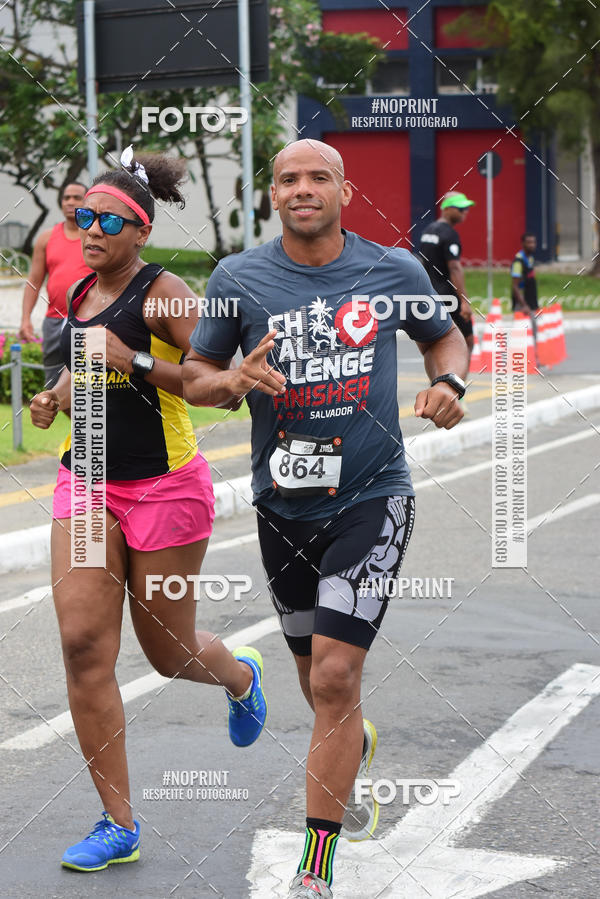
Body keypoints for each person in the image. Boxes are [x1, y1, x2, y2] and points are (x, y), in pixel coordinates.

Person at [182, 138, 469, 898]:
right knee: (319, 683)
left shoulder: (392, 269)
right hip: (282, 507)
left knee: (339, 676)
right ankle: (352, 738)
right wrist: (230, 379)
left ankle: (316, 869)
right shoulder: (236, 278)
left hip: (373, 496)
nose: (301, 188)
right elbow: (192, 375)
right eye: (287, 179)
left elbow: (444, 333)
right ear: (272, 195)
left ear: (344, 190)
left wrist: (451, 380)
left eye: (317, 177)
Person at [29, 149, 267, 874]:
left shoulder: (164, 294)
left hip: (165, 486)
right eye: (81, 217)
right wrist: (56, 396)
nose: (89, 228)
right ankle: (118, 821)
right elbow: (85, 366)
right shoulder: (75, 293)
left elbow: (216, 383)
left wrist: (130, 359)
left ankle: (239, 676)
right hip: (90, 479)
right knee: (82, 646)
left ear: (141, 230)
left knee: (168, 652)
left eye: (106, 219)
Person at [19, 181, 93, 388]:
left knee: (88, 390)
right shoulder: (46, 238)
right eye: (66, 198)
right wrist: (25, 319)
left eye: (77, 197)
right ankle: (76, 422)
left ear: (87, 202)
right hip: (53, 321)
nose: (70, 202)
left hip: (88, 321)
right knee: (53, 388)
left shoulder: (94, 236)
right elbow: (34, 281)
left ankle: (87, 422)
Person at [417, 191, 475, 359]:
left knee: (437, 342)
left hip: (431, 294)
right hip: (449, 295)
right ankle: (456, 382)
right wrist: (464, 300)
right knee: (467, 341)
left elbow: (423, 263)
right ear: (447, 209)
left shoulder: (428, 231)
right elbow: (455, 268)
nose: (465, 212)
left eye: (466, 209)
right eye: (461, 208)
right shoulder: (449, 234)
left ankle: (440, 381)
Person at [511, 232, 539, 346]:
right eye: (529, 242)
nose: (532, 245)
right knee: (524, 333)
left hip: (530, 302)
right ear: (523, 244)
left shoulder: (530, 258)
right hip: (522, 304)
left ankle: (532, 358)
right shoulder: (519, 261)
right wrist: (524, 305)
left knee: (532, 332)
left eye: (533, 242)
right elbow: (515, 285)